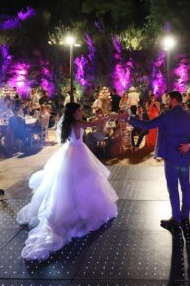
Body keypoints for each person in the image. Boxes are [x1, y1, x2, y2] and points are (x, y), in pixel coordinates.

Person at [16, 103, 119, 261]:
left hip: (69, 151)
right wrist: (108, 116)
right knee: (82, 182)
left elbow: (88, 124)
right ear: (74, 112)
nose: (81, 112)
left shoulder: (68, 123)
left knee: (69, 184)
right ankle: (78, 212)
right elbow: (93, 124)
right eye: (79, 110)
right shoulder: (77, 123)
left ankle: (75, 208)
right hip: (78, 153)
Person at [123, 91, 190, 230]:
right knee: (185, 186)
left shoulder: (167, 115)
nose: (166, 101)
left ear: (173, 100)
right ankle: (185, 216)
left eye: (168, 99)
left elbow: (146, 125)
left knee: (173, 188)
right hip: (184, 157)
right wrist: (189, 145)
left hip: (171, 158)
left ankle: (176, 219)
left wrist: (129, 118)